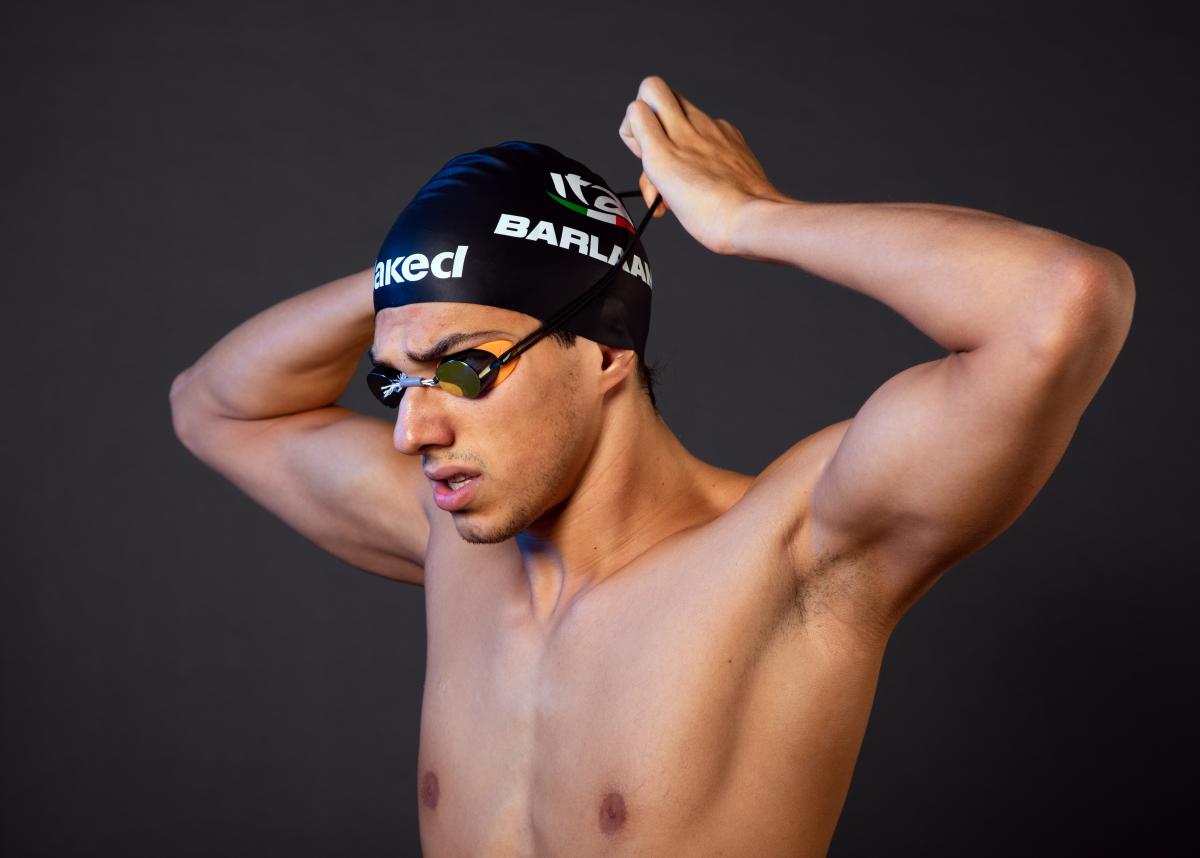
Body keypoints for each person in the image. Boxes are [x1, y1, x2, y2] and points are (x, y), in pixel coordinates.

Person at [169, 75, 1135, 856]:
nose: (412, 431)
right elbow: (212, 406)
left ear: (602, 355)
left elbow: (1062, 304)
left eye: (464, 368)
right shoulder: (463, 537)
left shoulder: (789, 553)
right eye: (394, 384)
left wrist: (752, 218)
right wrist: (422, 277)